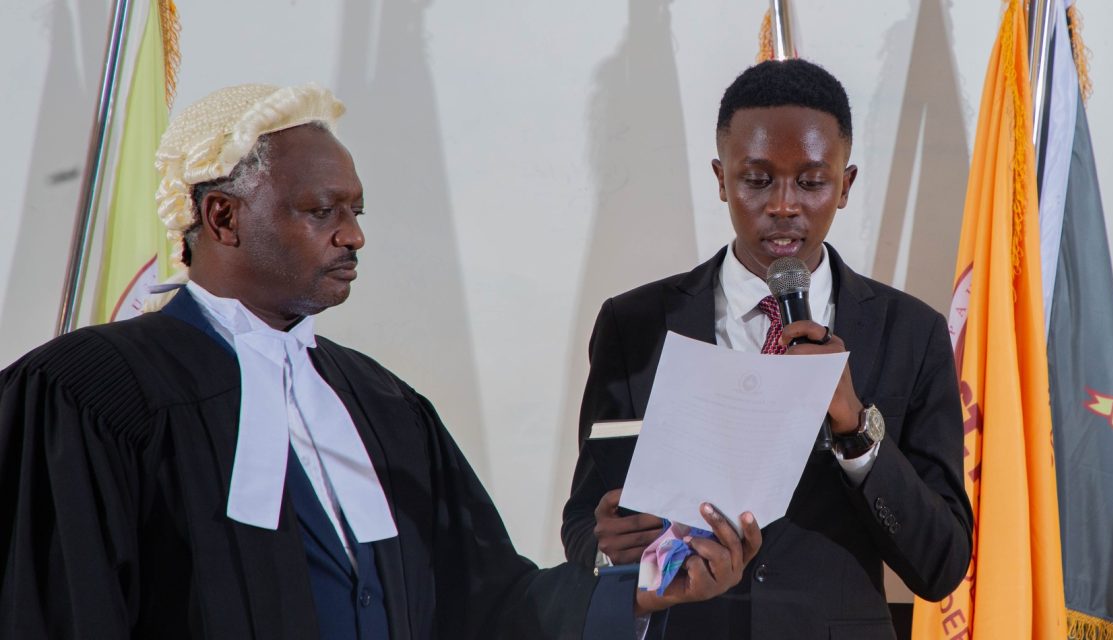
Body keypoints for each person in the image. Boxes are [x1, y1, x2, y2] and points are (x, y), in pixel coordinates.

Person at [0, 83, 761, 639]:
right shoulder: (86, 396)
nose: (354, 235)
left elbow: (491, 605)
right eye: (320, 211)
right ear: (222, 216)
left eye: (355, 210)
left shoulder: (381, 405)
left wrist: (641, 589)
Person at [561, 60, 973, 638]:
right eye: (756, 180)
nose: (783, 205)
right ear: (721, 179)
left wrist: (856, 429)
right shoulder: (634, 325)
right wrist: (609, 551)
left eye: (811, 181)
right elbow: (586, 523)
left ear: (846, 185)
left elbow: (942, 564)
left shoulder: (912, 332)